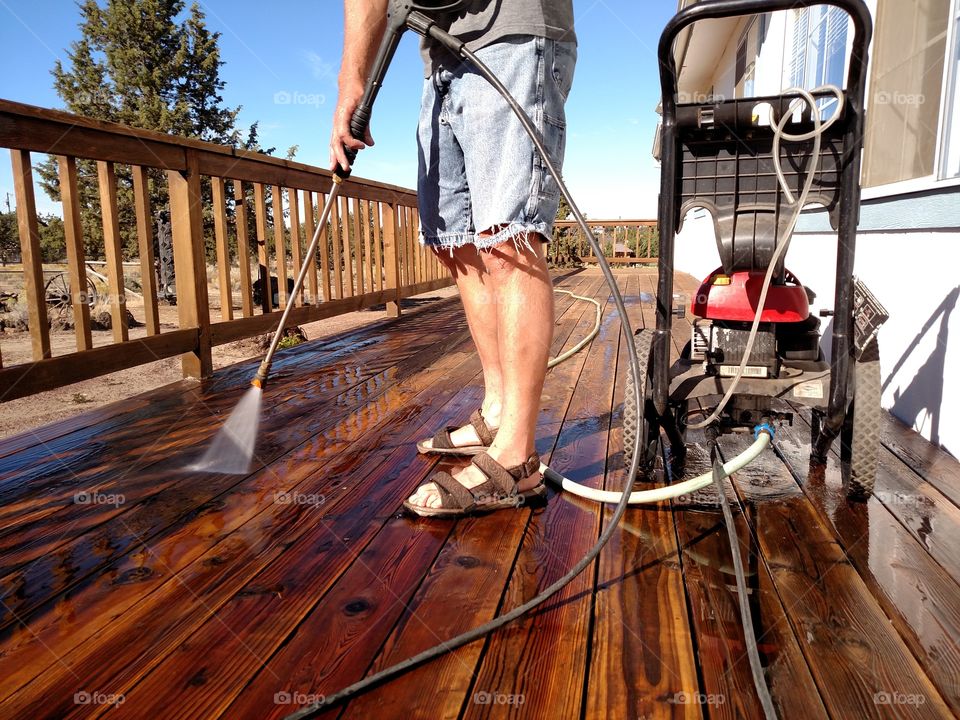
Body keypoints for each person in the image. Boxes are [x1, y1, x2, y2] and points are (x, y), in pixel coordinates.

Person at [331, 0, 576, 516]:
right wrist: (350, 82)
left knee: (509, 240)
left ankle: (517, 458)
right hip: (438, 59)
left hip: (512, 35)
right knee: (458, 246)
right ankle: (495, 412)